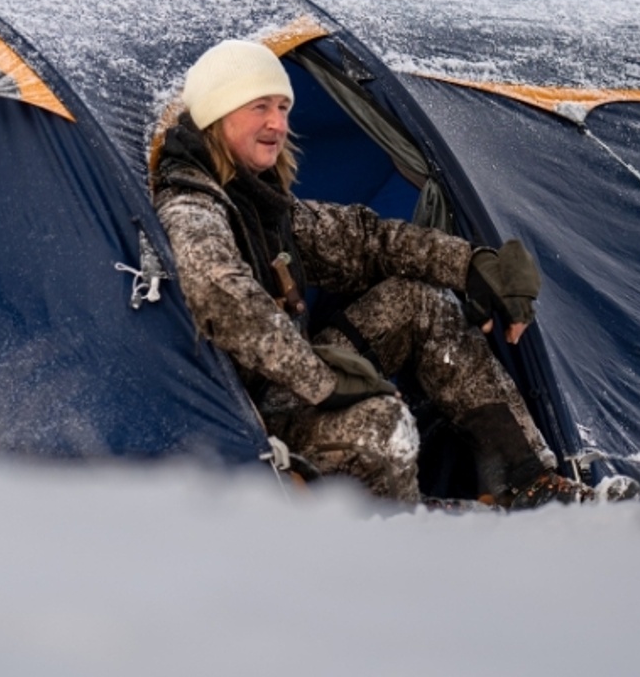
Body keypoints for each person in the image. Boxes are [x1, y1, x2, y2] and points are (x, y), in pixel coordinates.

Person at [153, 38, 613, 508]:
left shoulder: (263, 205)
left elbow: (366, 240)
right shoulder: (191, 206)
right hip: (241, 420)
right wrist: (322, 380)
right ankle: (403, 542)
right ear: (217, 113)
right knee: (380, 421)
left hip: (284, 391)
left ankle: (528, 482)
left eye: (282, 106)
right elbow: (220, 295)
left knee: (421, 301)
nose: (277, 123)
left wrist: (472, 265)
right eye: (258, 107)